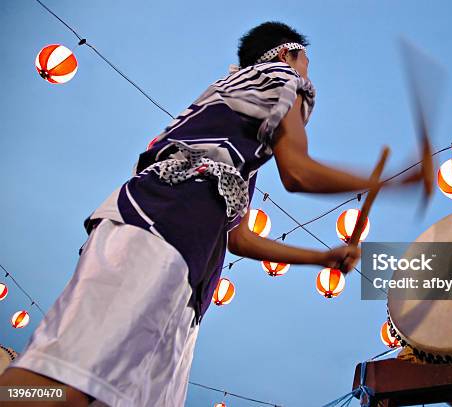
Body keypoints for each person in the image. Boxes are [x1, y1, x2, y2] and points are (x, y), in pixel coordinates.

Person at [0, 21, 429, 406]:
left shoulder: (236, 136)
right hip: (160, 230)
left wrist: (322, 257)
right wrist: (390, 182)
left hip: (183, 272)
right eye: (306, 64)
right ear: (287, 55)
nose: (307, 77)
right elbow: (297, 172)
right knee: (59, 383)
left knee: (92, 392)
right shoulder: (279, 78)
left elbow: (239, 239)